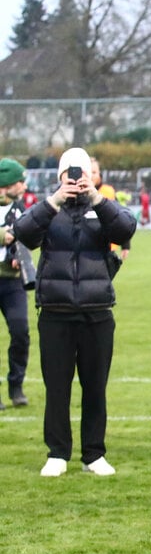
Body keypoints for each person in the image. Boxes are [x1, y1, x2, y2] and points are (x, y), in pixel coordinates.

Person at [9, 148, 137, 476]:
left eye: (83, 173)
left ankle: (94, 454)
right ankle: (57, 453)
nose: (77, 180)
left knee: (95, 386)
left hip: (97, 311)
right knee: (57, 386)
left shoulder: (102, 207)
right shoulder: (49, 209)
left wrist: (96, 198)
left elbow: (125, 229)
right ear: (59, 176)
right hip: (55, 310)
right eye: (70, 173)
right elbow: (23, 233)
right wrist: (55, 200)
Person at [0, 158, 32, 408]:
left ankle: (16, 385)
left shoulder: (21, 210)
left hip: (12, 283)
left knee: (20, 332)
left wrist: (17, 257)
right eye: (19, 181)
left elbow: (27, 239)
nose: (23, 185)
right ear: (5, 184)